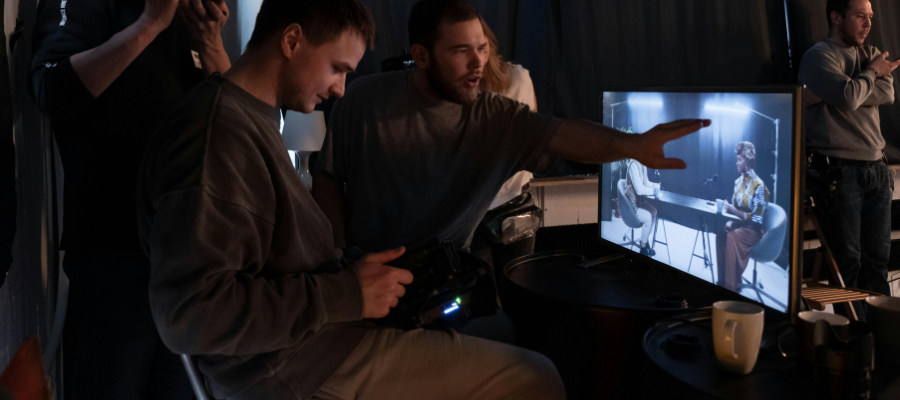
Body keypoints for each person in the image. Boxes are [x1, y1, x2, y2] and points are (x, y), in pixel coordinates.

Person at [137, 1, 568, 399]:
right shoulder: (218, 139)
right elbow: (192, 315)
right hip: (294, 365)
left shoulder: (250, 118)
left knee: (490, 330)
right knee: (535, 378)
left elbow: (274, 262)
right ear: (291, 41)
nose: (341, 89)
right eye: (337, 68)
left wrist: (361, 279)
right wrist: (346, 293)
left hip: (318, 338)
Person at [312, 0, 709, 260]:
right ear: (420, 56)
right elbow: (328, 175)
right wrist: (338, 259)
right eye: (460, 51)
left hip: (441, 284)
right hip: (363, 277)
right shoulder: (362, 98)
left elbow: (563, 133)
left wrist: (632, 145)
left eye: (482, 48)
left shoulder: (494, 117)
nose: (478, 62)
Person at [30, 0, 231, 397]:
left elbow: (237, 127)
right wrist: (148, 25)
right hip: (114, 257)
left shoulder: (192, 16)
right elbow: (50, 90)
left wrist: (210, 42)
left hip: (190, 263)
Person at [798, 0, 897, 319]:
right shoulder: (819, 56)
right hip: (839, 173)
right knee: (847, 265)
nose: (868, 24)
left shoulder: (870, 53)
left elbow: (887, 94)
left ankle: (883, 339)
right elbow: (848, 97)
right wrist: (869, 76)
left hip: (878, 170)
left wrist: (849, 90)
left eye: (870, 17)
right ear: (836, 17)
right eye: (860, 16)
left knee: (877, 262)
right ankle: (853, 343)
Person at [469, 18, 540, 272]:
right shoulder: (519, 76)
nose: (475, 58)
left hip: (485, 205)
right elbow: (535, 133)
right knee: (516, 292)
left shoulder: (516, 77)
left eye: (479, 48)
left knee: (487, 300)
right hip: (502, 204)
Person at [716, 142, 769, 292]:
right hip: (741, 225)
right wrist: (728, 211)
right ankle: (722, 281)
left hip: (754, 231)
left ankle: (730, 288)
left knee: (732, 237)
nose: (736, 163)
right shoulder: (737, 182)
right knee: (721, 233)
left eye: (739, 160)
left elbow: (756, 219)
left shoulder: (759, 185)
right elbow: (735, 208)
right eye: (737, 159)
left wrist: (733, 211)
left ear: (748, 161)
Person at [623, 159, 660, 256]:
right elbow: (639, 190)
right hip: (631, 204)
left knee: (654, 212)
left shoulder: (643, 163)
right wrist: (653, 191)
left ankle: (644, 239)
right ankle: (643, 246)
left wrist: (655, 186)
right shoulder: (634, 164)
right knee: (648, 217)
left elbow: (645, 182)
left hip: (639, 200)